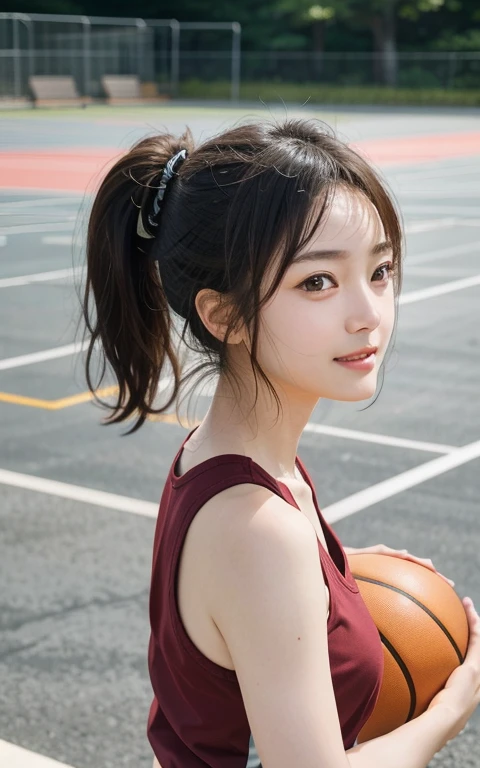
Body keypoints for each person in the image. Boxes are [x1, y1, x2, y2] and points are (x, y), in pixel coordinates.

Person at [82, 117, 480, 768]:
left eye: (380, 270)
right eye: (317, 281)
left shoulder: (227, 460)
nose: (368, 312)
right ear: (224, 315)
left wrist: (329, 572)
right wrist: (448, 712)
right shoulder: (259, 529)